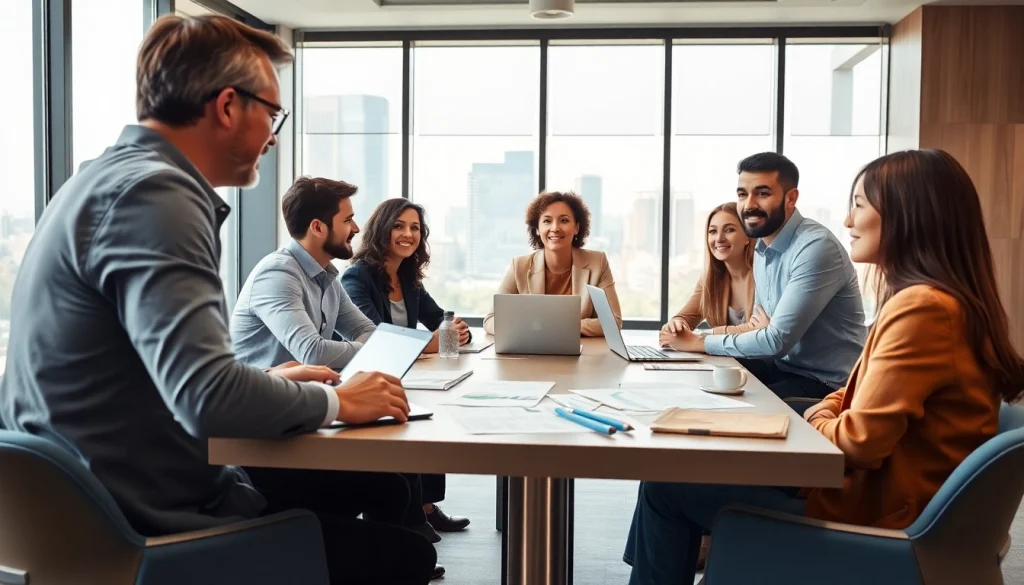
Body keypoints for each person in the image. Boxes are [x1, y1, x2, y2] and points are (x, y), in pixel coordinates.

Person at [0, 14, 439, 585]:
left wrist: (279, 383)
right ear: (229, 106)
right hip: (142, 524)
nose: (274, 135)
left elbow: (163, 372)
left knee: (377, 483)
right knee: (407, 558)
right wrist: (342, 404)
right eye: (272, 114)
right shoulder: (157, 195)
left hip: (99, 495)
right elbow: (205, 396)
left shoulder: (105, 179)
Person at [624, 149, 1024, 584]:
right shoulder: (936, 300)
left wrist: (815, 415)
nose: (848, 222)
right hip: (877, 492)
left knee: (666, 486)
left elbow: (859, 442)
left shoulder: (923, 308)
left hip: (873, 513)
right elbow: (856, 389)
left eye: (858, 205)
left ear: (908, 214)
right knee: (686, 468)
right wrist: (828, 409)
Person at [660, 152, 866, 400]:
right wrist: (760, 335)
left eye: (763, 193)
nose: (749, 205)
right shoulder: (762, 249)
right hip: (780, 367)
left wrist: (699, 341)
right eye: (742, 194)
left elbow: (774, 340)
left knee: (733, 408)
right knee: (693, 387)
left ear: (791, 198)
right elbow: (761, 333)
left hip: (824, 382)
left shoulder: (816, 247)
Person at [341, 198, 471, 536]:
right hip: (366, 376)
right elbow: (375, 336)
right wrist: (441, 338)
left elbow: (438, 320)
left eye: (414, 228)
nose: (407, 234)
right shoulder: (358, 276)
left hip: (403, 370)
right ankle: (415, 517)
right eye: (399, 226)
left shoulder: (409, 277)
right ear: (381, 229)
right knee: (420, 414)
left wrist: (456, 330)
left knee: (434, 411)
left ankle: (425, 506)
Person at [230, 176, 376, 370]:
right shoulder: (277, 274)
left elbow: (369, 332)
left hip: (301, 393)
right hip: (258, 398)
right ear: (317, 227)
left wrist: (366, 348)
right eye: (348, 220)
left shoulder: (328, 277)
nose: (356, 228)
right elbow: (313, 354)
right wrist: (368, 350)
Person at [482, 190, 622, 337]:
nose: (555, 228)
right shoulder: (519, 266)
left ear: (577, 228)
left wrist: (563, 325)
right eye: (547, 221)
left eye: (564, 220)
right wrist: (528, 327)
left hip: (582, 353)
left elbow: (614, 321)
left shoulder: (597, 262)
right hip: (533, 353)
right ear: (537, 229)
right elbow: (491, 320)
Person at [661, 202, 768, 340]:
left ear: (748, 236)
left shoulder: (765, 276)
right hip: (725, 361)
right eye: (712, 231)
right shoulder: (710, 279)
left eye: (729, 230)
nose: (719, 239)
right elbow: (683, 318)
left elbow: (759, 333)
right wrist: (675, 326)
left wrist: (700, 336)